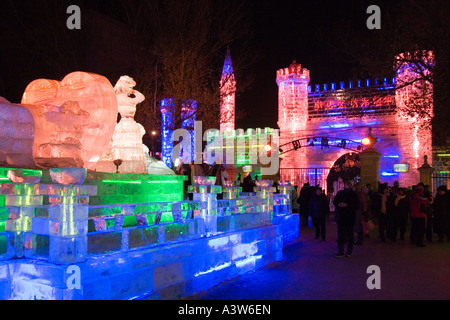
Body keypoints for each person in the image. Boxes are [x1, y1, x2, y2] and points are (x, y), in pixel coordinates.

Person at [333, 180, 359, 257]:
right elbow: (335, 202)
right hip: (341, 217)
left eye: (347, 184)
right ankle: (341, 251)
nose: (345, 185)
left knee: (350, 235)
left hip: (350, 217)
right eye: (345, 184)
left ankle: (349, 252)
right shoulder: (340, 193)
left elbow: (356, 205)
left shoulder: (353, 195)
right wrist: (339, 204)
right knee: (340, 235)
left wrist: (347, 205)